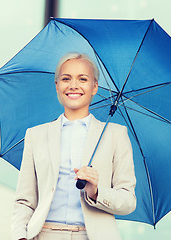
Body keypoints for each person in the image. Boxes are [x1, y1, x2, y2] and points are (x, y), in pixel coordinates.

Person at [11, 52, 136, 240]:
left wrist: (96, 191)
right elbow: (24, 201)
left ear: (94, 87)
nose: (73, 85)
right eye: (66, 78)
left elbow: (128, 201)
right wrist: (19, 235)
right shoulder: (36, 135)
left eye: (83, 79)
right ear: (57, 86)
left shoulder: (115, 135)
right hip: (43, 234)